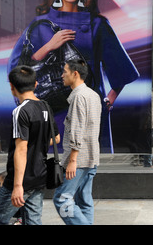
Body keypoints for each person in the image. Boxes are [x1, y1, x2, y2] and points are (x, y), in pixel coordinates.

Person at [8, 0, 139, 153]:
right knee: (53, 170)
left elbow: (121, 67)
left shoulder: (97, 25)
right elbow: (18, 68)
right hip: (51, 110)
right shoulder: (40, 25)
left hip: (88, 111)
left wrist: (108, 100)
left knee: (89, 171)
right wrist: (49, 46)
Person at [0, 65, 59, 225]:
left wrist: (17, 185)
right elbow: (56, 138)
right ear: (36, 84)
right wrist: (37, 144)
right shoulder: (45, 106)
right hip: (39, 175)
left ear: (11, 86)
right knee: (33, 221)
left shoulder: (20, 111)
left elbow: (21, 150)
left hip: (21, 180)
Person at [53, 59, 101, 225]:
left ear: (75, 73)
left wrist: (72, 160)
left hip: (78, 160)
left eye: (65, 71)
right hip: (91, 157)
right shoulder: (93, 95)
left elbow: (77, 129)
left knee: (61, 199)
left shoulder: (79, 97)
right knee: (84, 200)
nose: (62, 75)